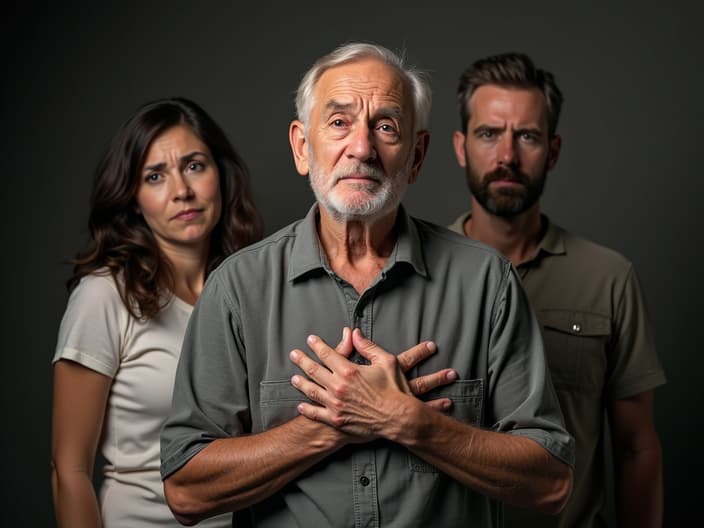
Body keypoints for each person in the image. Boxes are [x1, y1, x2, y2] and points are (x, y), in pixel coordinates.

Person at [160, 42, 574, 528]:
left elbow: (552, 483)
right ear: (301, 146)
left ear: (416, 156)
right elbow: (185, 490)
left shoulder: (487, 282)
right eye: (338, 123)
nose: (361, 148)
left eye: (386, 126)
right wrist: (330, 424)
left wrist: (412, 423)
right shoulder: (237, 287)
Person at [448, 52, 666, 527]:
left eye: (527, 136)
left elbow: (637, 446)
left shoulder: (608, 278)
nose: (507, 156)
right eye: (489, 134)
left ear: (554, 150)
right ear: (461, 146)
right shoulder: (420, 272)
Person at [50, 97, 263, 527]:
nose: (181, 191)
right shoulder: (104, 296)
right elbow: (68, 470)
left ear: (220, 174)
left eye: (194, 165)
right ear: (133, 197)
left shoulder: (253, 289)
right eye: (155, 176)